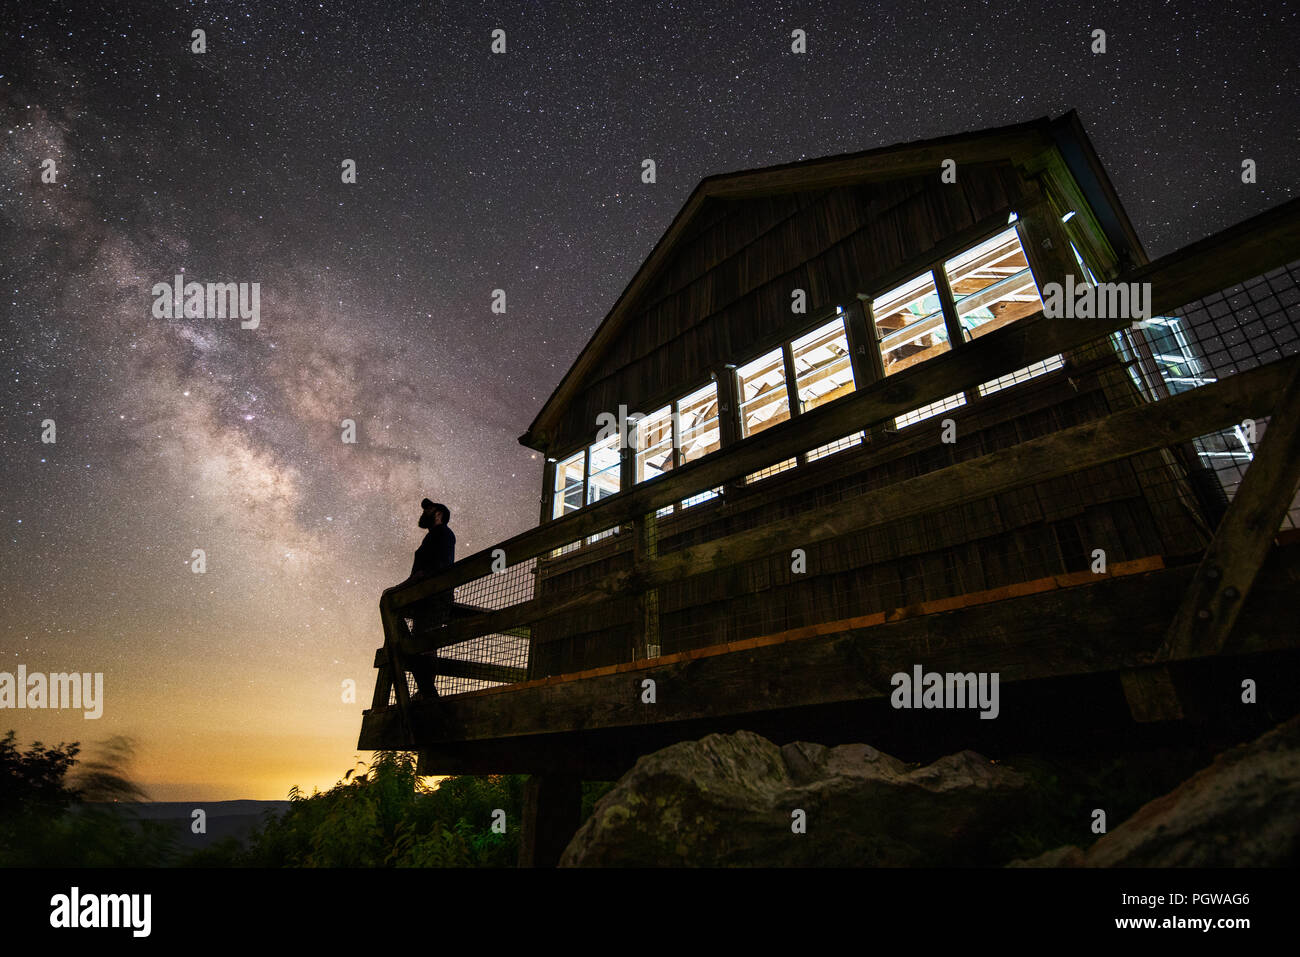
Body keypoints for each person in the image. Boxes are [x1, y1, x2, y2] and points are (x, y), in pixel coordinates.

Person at [381, 499, 456, 699]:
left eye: (428, 508)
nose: (424, 511)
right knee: (424, 643)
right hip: (428, 597)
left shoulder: (441, 534)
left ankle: (426, 693)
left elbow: (427, 571)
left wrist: (399, 589)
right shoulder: (435, 536)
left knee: (425, 643)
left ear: (438, 513)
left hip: (434, 596)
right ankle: (425, 691)